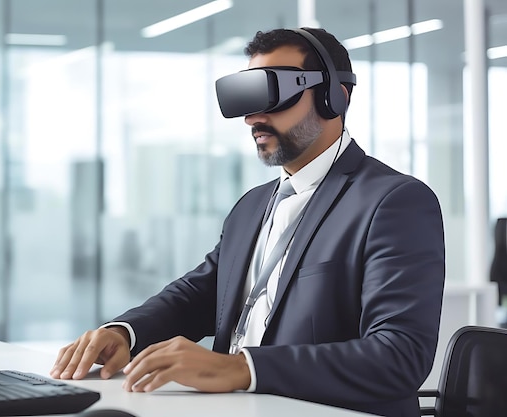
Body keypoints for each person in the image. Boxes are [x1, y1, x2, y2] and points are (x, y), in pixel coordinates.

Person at [50, 27, 445, 417]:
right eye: (247, 99)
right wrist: (125, 333)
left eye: (273, 95)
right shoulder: (252, 206)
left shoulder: (393, 202)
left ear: (332, 97)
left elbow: (399, 354)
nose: (252, 118)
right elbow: (200, 295)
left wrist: (243, 368)